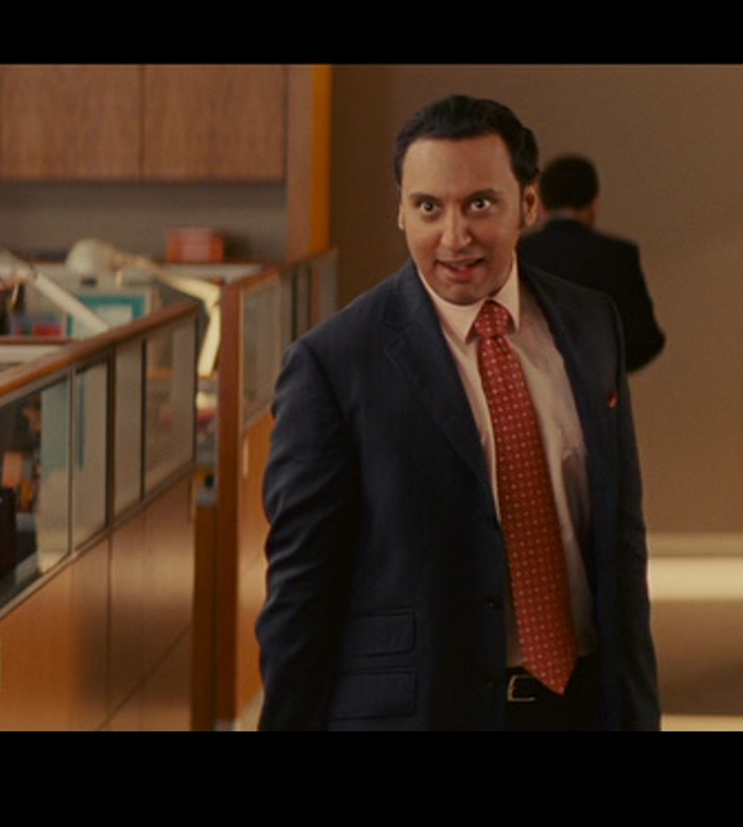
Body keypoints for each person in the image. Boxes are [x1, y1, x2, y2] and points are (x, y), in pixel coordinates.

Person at [256, 95, 658, 730]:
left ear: (528, 203)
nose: (454, 236)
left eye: (479, 204)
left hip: (579, 706)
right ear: (401, 210)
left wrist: (636, 711)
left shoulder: (590, 325)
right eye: (428, 207)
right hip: (423, 713)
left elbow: (620, 539)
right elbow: (302, 590)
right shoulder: (334, 364)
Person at [518, 154, 666, 373]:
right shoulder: (617, 256)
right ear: (593, 204)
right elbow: (643, 340)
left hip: (532, 379)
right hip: (598, 381)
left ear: (541, 204)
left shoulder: (519, 254)